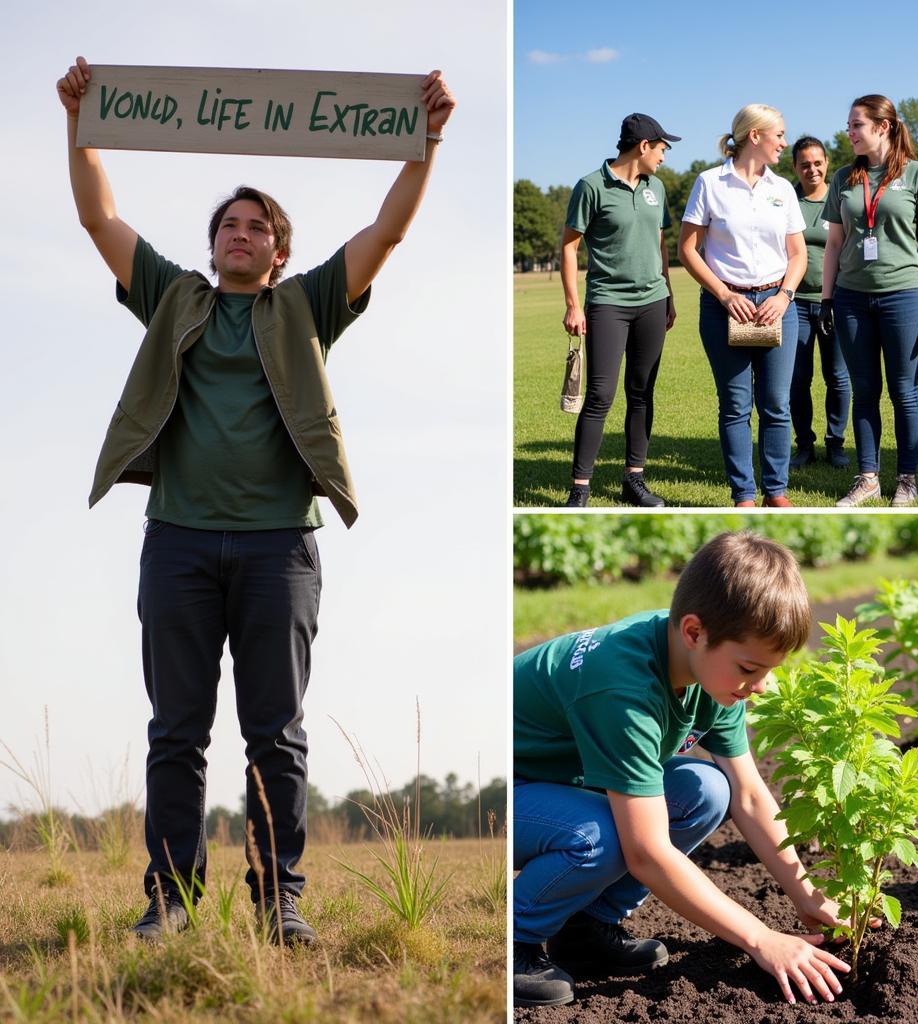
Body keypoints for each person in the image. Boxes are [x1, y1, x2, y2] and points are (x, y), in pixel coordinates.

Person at [57, 56, 455, 944]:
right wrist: (79, 121)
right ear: (212, 246)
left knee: (276, 735)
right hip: (179, 546)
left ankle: (281, 900)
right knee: (177, 734)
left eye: (257, 227)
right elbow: (97, 215)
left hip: (282, 550)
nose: (240, 234)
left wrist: (425, 140)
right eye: (228, 225)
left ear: (279, 249)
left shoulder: (308, 305)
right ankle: (171, 901)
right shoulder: (172, 297)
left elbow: (385, 233)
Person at [512, 532, 855, 1008]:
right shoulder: (623, 690)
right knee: (603, 838)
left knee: (707, 789)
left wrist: (807, 896)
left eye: (768, 670)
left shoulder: (712, 669)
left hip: (566, 782)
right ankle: (513, 937)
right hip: (508, 793)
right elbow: (647, 853)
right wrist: (760, 939)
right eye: (751, 668)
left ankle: (586, 928)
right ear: (694, 632)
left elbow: (748, 794)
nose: (761, 686)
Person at [819, 95, 918, 507]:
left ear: (883, 126)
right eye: (849, 124)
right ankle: (868, 477)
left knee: (904, 390)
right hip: (852, 298)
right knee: (865, 389)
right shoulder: (844, 178)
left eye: (856, 124)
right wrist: (826, 299)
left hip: (904, 295)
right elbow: (834, 243)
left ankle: (906, 479)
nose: (849, 132)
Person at [679, 105, 807, 508]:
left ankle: (776, 491)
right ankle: (744, 495)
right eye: (780, 135)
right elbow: (687, 249)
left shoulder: (782, 189)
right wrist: (725, 295)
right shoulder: (709, 183)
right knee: (735, 405)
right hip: (725, 308)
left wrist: (783, 297)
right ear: (755, 136)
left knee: (776, 404)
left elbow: (798, 254)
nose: (785, 143)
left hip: (777, 305)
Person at [561, 113, 679, 509]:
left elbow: (661, 243)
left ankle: (635, 479)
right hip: (608, 303)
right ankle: (580, 488)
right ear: (644, 146)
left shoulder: (656, 188)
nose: (664, 156)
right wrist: (574, 305)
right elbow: (569, 247)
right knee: (600, 395)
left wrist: (670, 294)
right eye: (662, 148)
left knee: (641, 392)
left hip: (653, 302)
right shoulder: (590, 186)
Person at [788, 137, 851, 470]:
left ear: (826, 162)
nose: (811, 169)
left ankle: (835, 443)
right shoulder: (788, 200)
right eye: (804, 164)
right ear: (795, 167)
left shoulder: (841, 196)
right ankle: (804, 445)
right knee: (798, 378)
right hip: (795, 303)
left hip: (837, 301)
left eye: (817, 162)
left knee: (838, 377)